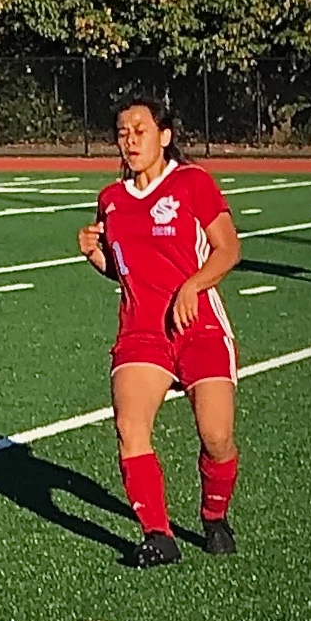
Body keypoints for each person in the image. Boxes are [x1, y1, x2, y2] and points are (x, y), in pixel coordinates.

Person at [77, 97, 243, 569]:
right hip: (141, 331)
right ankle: (158, 533)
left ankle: (214, 515)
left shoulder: (193, 183)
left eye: (140, 130)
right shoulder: (111, 199)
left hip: (199, 327)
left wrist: (193, 284)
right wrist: (97, 258)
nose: (130, 140)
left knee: (216, 436)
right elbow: (127, 270)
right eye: (123, 132)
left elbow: (228, 249)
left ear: (164, 135)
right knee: (131, 429)